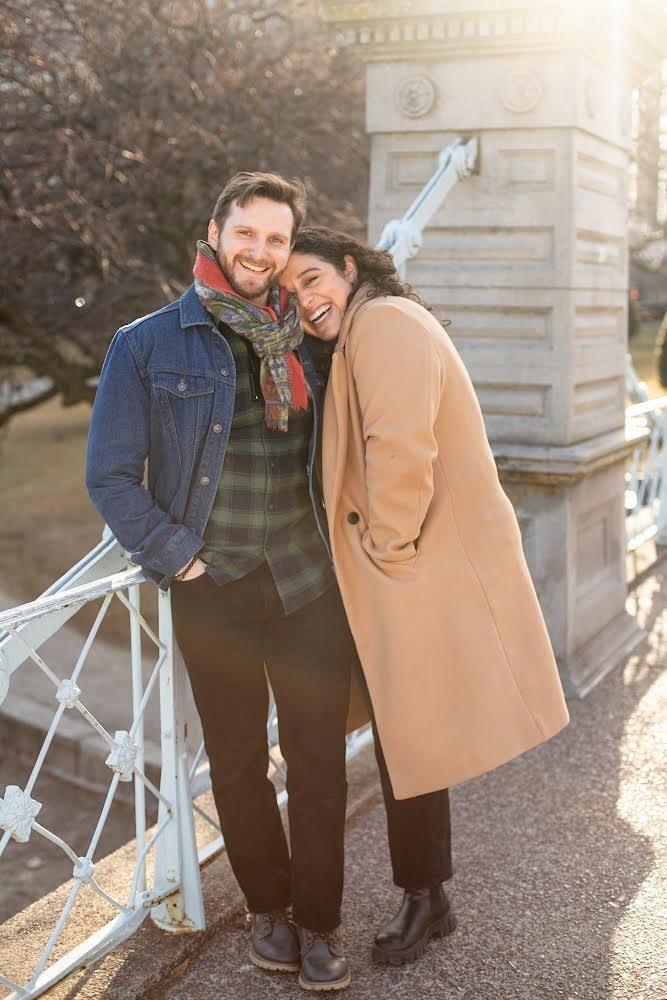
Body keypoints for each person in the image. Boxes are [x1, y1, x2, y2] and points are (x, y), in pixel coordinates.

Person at [86, 173, 357, 992]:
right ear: (214, 233)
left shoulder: (312, 341)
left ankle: (319, 923)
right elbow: (110, 476)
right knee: (238, 764)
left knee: (318, 762)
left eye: (276, 239)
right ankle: (268, 910)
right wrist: (181, 559)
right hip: (215, 587)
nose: (260, 251)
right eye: (247, 233)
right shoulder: (146, 344)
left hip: (308, 584)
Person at [281, 226, 571, 964]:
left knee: (408, 733)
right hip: (393, 564)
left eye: (312, 279)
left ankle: (424, 898)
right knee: (403, 733)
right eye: (289, 292)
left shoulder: (383, 325)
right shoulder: (370, 327)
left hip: (404, 564)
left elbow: (401, 446)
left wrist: (387, 548)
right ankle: (425, 895)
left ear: (349, 268)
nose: (305, 300)